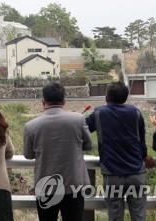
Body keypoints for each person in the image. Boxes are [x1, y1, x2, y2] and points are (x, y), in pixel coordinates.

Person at [85, 81, 155, 221]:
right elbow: (141, 140)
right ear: (126, 97)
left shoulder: (99, 113)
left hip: (112, 173)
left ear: (107, 97)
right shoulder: (135, 113)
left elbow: (82, 129)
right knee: (139, 215)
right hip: (136, 172)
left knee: (115, 216)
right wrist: (145, 156)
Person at [24, 82, 93, 221]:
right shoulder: (78, 120)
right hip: (73, 186)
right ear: (64, 101)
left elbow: (28, 155)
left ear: (43, 102)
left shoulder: (31, 126)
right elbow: (89, 145)